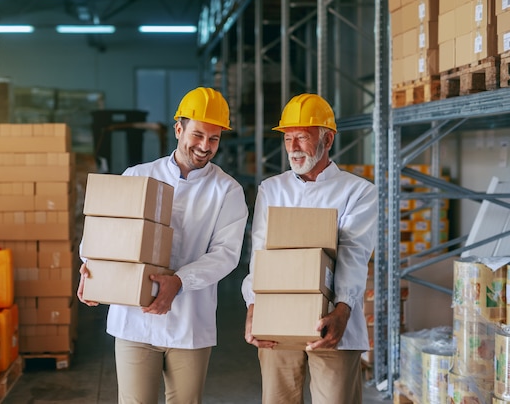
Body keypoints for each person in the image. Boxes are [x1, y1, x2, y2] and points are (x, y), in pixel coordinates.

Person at [77, 87, 249, 404]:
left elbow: (225, 256)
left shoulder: (227, 191)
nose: (204, 146)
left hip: (189, 323)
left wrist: (179, 281)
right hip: (133, 321)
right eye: (198, 135)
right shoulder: (138, 176)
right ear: (179, 129)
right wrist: (91, 267)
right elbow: (106, 229)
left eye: (214, 139)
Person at [241, 93, 377, 404]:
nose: (293, 147)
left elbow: (354, 256)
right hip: (278, 320)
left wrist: (342, 311)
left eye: (302, 138)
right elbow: (260, 256)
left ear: (327, 139)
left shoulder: (357, 192)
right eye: (288, 138)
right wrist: (253, 308)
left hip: (332, 323)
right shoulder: (271, 189)